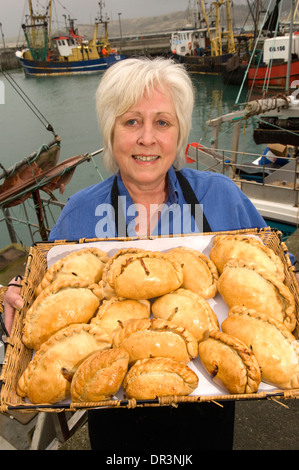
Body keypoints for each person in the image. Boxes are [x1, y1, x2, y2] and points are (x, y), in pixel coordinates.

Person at [3, 57, 269, 451]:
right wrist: (16, 293)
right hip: (114, 418)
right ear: (111, 132)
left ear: (179, 134)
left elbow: (275, 271)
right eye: (131, 122)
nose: (147, 138)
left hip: (207, 402)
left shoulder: (220, 198)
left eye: (162, 122)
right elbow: (45, 291)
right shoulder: (81, 213)